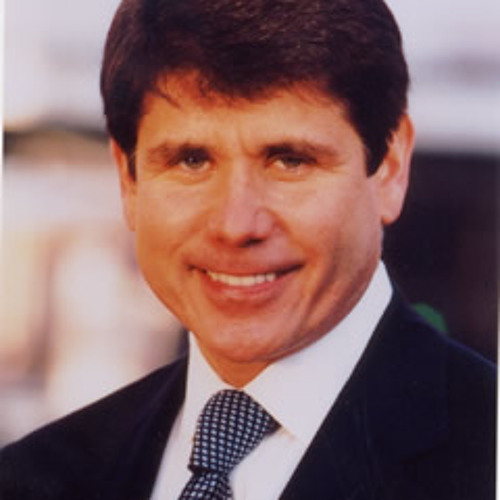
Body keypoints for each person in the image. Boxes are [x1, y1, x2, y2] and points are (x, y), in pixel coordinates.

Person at [0, 0, 495, 499]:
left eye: (290, 160)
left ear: (390, 166)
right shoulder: (29, 479)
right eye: (192, 160)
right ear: (128, 179)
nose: (236, 225)